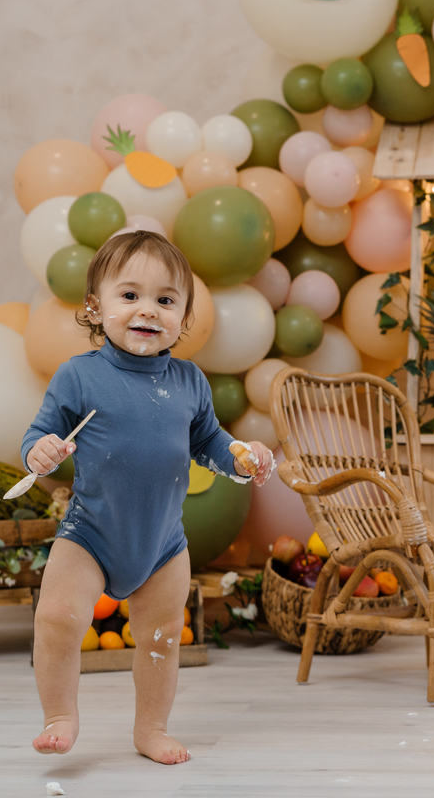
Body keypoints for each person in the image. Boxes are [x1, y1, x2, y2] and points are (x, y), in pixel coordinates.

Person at [23, 231, 274, 765]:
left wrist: (239, 456)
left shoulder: (189, 381)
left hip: (163, 544)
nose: (148, 310)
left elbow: (209, 441)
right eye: (130, 295)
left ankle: (151, 728)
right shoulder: (79, 376)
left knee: (161, 638)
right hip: (90, 534)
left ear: (184, 319)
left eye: (165, 300)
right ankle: (59, 715)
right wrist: (39, 452)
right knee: (57, 618)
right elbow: (40, 433)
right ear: (96, 308)